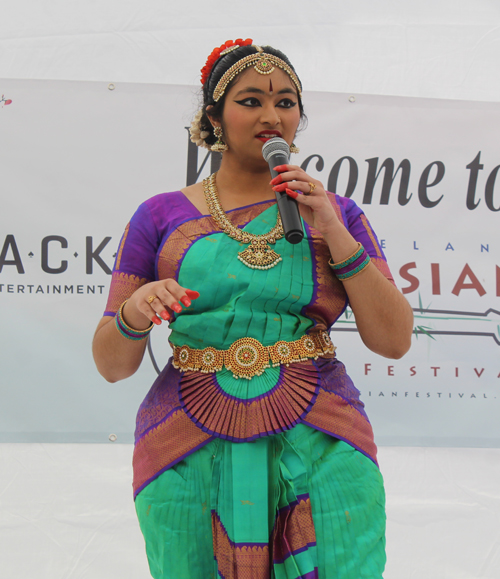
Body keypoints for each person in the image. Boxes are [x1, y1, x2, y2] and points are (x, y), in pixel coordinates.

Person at [92, 38, 413, 579]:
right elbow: (112, 364)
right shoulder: (159, 216)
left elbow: (395, 340)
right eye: (250, 101)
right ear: (212, 117)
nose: (271, 116)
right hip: (186, 438)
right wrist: (136, 311)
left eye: (286, 102)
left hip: (321, 435)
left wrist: (332, 228)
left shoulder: (334, 213)